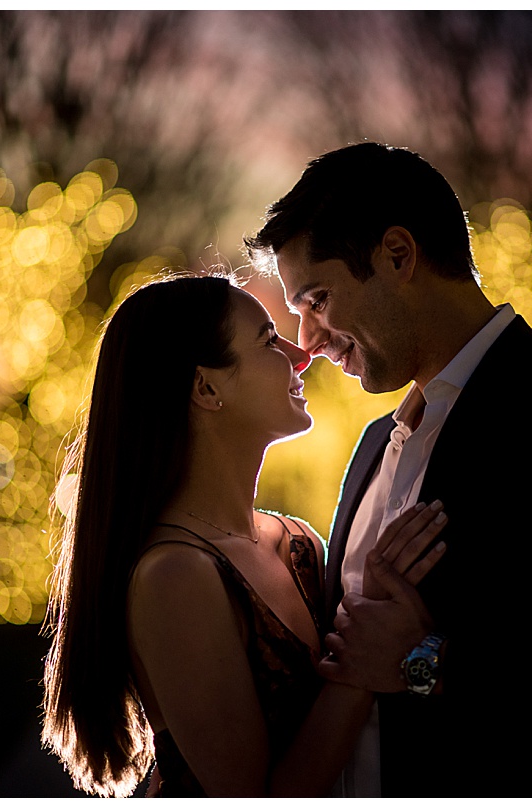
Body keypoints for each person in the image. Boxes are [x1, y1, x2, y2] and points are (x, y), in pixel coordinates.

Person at [244, 142, 532, 797]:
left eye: (318, 299)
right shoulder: (372, 449)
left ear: (398, 255)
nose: (309, 339)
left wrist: (428, 662)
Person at [39, 273, 450, 797]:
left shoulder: (297, 542)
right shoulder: (175, 575)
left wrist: (413, 649)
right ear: (206, 388)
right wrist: (360, 660)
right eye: (267, 340)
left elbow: (387, 674)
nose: (299, 354)